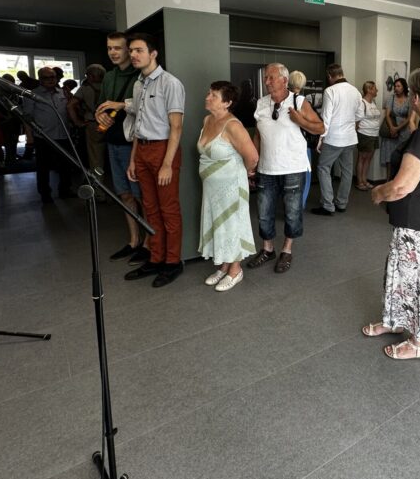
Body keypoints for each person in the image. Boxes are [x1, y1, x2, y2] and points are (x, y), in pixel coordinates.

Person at [363, 67, 420, 360]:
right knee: (404, 278)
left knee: (417, 283)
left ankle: (419, 343)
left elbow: (402, 186)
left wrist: (378, 192)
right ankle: (395, 320)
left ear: (416, 96)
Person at [117, 34, 186, 288]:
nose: (133, 55)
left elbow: (176, 127)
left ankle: (172, 262)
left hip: (164, 150)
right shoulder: (138, 85)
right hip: (143, 150)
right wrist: (134, 160)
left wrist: (167, 163)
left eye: (139, 50)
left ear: (153, 53)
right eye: (131, 51)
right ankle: (156, 258)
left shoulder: (170, 83)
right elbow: (137, 125)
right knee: (150, 208)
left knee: (168, 210)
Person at [247, 63, 323, 274]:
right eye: (265, 77)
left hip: (292, 168)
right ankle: (268, 249)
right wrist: (253, 162)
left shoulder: (298, 101)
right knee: (264, 213)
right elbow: (258, 135)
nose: (266, 81)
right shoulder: (261, 103)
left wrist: (300, 120)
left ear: (284, 80)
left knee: (292, 212)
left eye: (270, 77)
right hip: (267, 168)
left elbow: (320, 127)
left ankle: (287, 250)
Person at [198, 81, 259, 292]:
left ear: (227, 102)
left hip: (232, 185)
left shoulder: (233, 125)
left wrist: (247, 172)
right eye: (209, 93)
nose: (208, 97)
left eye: (213, 95)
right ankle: (224, 264)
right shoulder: (208, 120)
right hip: (211, 188)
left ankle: (235, 269)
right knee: (219, 224)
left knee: (232, 224)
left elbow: (252, 157)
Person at [96, 32, 147, 266]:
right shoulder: (108, 76)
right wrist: (102, 116)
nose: (113, 52)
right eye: (109, 48)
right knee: (124, 194)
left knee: (140, 195)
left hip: (133, 143)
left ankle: (148, 243)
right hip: (113, 141)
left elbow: (146, 109)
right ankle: (134, 240)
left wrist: (122, 105)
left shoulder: (141, 75)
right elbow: (103, 106)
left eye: (118, 48)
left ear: (129, 50)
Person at [312, 63, 361, 216]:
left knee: (323, 168)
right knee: (347, 171)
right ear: (342, 73)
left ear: (329, 76)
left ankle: (327, 205)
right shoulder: (355, 91)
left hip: (333, 138)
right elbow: (360, 115)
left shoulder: (330, 91)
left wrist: (320, 140)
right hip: (350, 138)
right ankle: (341, 203)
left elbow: (325, 118)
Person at [22, 67, 76, 204]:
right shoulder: (32, 95)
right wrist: (29, 138)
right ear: (40, 79)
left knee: (65, 166)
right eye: (46, 77)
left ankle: (65, 190)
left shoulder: (63, 92)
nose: (51, 80)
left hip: (64, 135)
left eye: (53, 77)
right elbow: (27, 117)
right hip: (44, 137)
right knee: (43, 168)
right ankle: (45, 194)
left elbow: (71, 110)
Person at [70, 64, 107, 179]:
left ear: (90, 76)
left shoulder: (85, 89)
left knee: (95, 158)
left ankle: (99, 189)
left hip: (93, 125)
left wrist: (77, 122)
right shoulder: (110, 86)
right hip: (111, 124)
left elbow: (70, 105)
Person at [288, 70, 314, 208]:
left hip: (287, 144)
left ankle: (289, 204)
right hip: (303, 143)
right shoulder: (304, 102)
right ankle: (300, 204)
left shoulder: (282, 100)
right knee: (306, 176)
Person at [379, 77, 411, 178]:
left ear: (404, 87)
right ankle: (388, 181)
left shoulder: (410, 99)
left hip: (404, 131)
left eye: (398, 86)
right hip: (391, 129)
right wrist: (392, 128)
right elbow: (387, 115)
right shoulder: (391, 98)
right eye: (395, 86)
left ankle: (399, 181)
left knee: (402, 156)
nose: (396, 88)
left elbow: (409, 118)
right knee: (390, 157)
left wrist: (398, 128)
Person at [355, 80, 383, 191]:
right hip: (364, 134)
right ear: (369, 90)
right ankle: (359, 181)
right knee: (362, 157)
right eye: (375, 88)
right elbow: (357, 121)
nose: (377, 90)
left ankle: (364, 179)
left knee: (369, 158)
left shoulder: (373, 102)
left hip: (374, 134)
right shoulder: (362, 103)